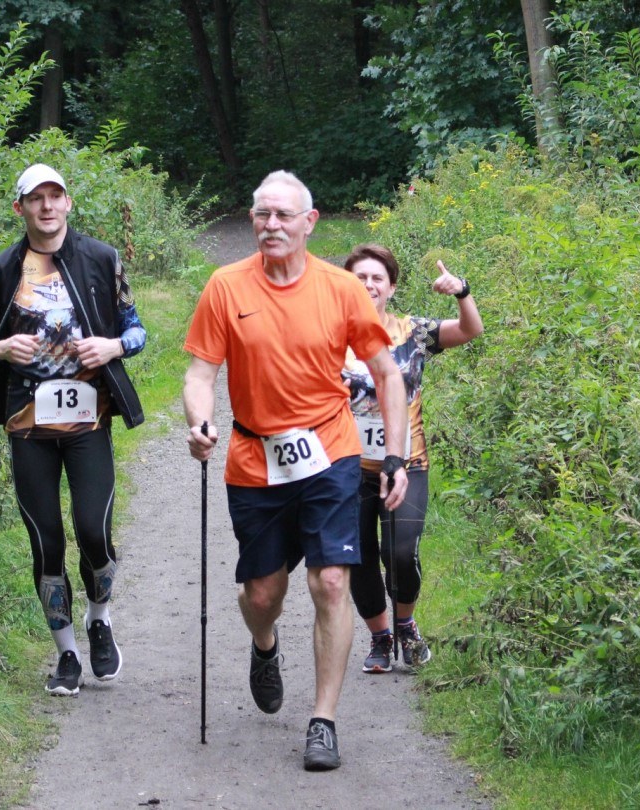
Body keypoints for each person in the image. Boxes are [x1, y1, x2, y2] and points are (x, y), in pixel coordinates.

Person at [182, 171, 410, 772]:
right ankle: (265, 643)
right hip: (254, 459)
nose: (270, 225)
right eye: (261, 214)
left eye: (283, 215)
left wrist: (394, 456)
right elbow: (200, 373)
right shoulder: (225, 287)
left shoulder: (340, 289)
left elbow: (387, 373)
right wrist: (201, 423)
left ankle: (323, 720)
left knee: (331, 582)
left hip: (329, 453)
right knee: (263, 593)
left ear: (310, 222)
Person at [0, 163, 146, 697]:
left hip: (88, 420)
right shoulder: (0, 271)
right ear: (19, 208)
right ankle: (66, 655)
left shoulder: (100, 259)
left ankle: (100, 619)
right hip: (28, 425)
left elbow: (136, 329)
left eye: (54, 196)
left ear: (68, 204)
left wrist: (112, 346)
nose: (46, 206)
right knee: (46, 544)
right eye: (35, 198)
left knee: (93, 530)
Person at [340, 244, 483, 674]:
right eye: (359, 278)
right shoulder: (330, 336)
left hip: (407, 463)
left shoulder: (411, 331)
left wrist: (462, 291)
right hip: (348, 469)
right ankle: (380, 638)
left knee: (401, 553)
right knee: (358, 558)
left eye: (377, 278)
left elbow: (470, 330)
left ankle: (406, 624)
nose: (368, 286)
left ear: (392, 287)